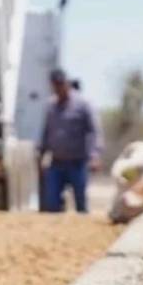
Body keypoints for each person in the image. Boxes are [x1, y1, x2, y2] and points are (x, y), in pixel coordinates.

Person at [38, 68, 102, 213]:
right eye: (55, 85)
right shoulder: (50, 106)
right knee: (51, 203)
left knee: (80, 204)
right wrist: (41, 155)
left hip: (77, 163)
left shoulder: (83, 104)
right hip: (56, 163)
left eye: (61, 84)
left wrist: (95, 156)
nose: (58, 88)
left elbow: (94, 131)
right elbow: (46, 132)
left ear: (67, 84)